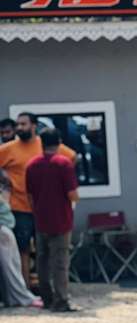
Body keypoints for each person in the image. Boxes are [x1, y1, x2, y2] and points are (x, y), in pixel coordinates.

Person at [0, 112, 76, 288]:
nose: (19, 128)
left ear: (34, 125)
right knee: (23, 249)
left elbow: (72, 157)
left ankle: (48, 289)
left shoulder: (44, 145)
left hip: (44, 209)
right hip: (20, 207)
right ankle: (25, 288)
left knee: (46, 252)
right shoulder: (9, 148)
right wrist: (3, 175)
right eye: (18, 124)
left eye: (23, 124)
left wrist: (61, 183)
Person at [26, 127, 79, 311]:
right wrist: (76, 200)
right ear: (59, 142)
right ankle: (61, 300)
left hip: (41, 220)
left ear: (41, 142)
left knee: (42, 262)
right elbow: (72, 194)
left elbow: (30, 197)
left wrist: (38, 212)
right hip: (61, 221)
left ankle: (46, 299)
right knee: (60, 263)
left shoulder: (31, 165)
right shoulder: (63, 163)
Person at [0, 168, 43, 308]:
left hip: (5, 228)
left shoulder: (4, 191)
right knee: (11, 267)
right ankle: (22, 298)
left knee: (12, 265)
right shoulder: (3, 192)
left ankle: (15, 297)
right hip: (3, 229)